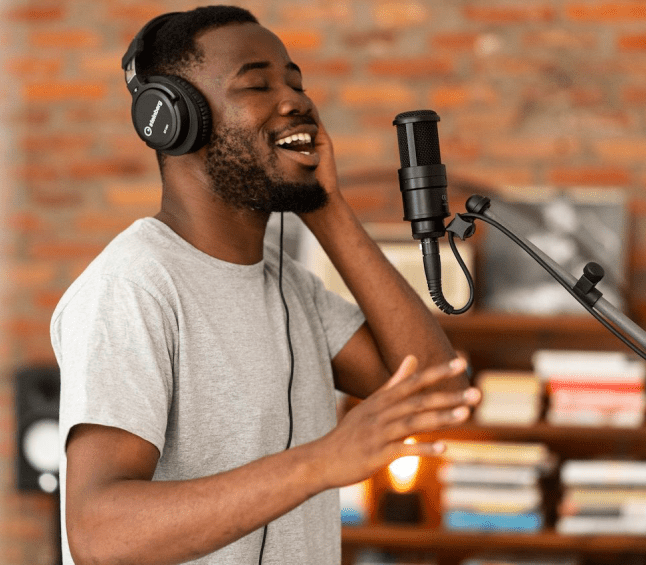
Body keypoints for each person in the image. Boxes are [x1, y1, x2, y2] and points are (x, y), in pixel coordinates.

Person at [50, 6, 480, 565]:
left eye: (296, 83)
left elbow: (435, 395)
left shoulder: (291, 289)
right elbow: (100, 533)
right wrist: (320, 462)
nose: (295, 101)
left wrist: (326, 208)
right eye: (256, 84)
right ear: (176, 119)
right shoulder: (132, 286)